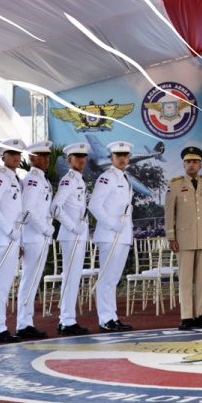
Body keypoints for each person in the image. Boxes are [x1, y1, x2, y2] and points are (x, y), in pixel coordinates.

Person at [165, 146, 202, 330]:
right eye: (188, 162)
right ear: (184, 164)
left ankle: (200, 315)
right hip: (184, 237)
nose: (191, 165)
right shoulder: (175, 184)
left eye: (195, 161)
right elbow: (169, 213)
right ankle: (187, 316)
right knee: (186, 278)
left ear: (200, 164)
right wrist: (171, 236)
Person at [89, 141, 137, 333]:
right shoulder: (107, 177)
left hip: (123, 235)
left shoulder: (125, 178)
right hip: (110, 235)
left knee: (114, 279)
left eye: (125, 156)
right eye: (118, 156)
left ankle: (112, 316)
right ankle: (105, 319)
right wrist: (112, 224)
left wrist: (122, 229)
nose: (122, 159)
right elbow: (94, 205)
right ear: (111, 158)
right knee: (106, 278)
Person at [0, 138, 28, 343]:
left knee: (6, 284)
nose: (16, 158)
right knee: (1, 285)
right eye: (11, 154)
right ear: (3, 157)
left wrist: (17, 239)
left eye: (18, 154)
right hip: (2, 239)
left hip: (11, 239)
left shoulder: (15, 178)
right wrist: (9, 230)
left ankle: (0, 325)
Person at [14, 141, 55, 340]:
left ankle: (27, 321)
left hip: (41, 236)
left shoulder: (42, 180)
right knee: (29, 281)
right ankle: (23, 323)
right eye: (42, 156)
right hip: (33, 236)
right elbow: (27, 210)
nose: (46, 160)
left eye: (47, 157)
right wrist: (45, 228)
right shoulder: (32, 180)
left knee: (33, 281)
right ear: (32, 159)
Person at [54, 142, 93, 336]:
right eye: (77, 157)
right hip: (71, 235)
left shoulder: (79, 179)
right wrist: (72, 226)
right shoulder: (69, 180)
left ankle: (68, 319)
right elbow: (55, 207)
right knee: (70, 277)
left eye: (83, 157)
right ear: (70, 160)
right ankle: (66, 320)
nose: (81, 160)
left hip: (78, 234)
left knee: (73, 277)